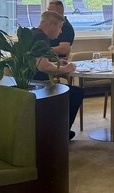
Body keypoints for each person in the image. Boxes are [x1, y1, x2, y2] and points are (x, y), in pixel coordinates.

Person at [31, 10, 84, 140]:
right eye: (59, 27)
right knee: (76, 93)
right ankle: (61, 134)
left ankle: (59, 131)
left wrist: (57, 63)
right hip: (39, 86)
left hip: (30, 83)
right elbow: (43, 67)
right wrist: (66, 68)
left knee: (70, 91)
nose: (60, 32)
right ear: (50, 25)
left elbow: (37, 61)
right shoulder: (41, 38)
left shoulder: (32, 33)